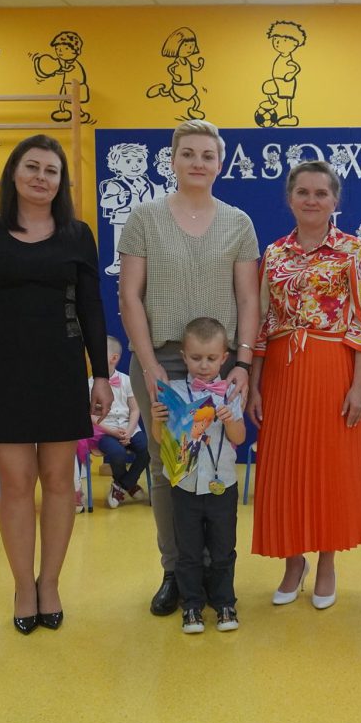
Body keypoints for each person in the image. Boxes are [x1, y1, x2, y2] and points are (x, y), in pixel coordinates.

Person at [0, 134, 112, 635]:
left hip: (61, 369)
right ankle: (23, 586)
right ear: (14, 174)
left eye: (51, 170)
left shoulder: (78, 235)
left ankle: (51, 583)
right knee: (16, 483)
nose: (41, 177)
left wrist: (101, 374)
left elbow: (91, 308)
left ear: (61, 182)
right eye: (32, 167)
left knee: (60, 481)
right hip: (2, 370)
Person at [118, 119, 260, 618]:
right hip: (162, 360)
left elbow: (249, 298)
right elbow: (130, 297)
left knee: (217, 459)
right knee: (166, 468)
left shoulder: (238, 223)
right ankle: (176, 572)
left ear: (220, 164)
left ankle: (214, 573)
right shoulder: (144, 218)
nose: (198, 162)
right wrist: (149, 366)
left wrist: (243, 361)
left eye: (207, 155)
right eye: (189, 153)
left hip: (219, 363)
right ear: (173, 160)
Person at [249, 160, 361, 610]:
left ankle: (326, 562)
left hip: (332, 370)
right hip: (282, 373)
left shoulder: (353, 250)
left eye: (321, 193)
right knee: (285, 468)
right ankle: (293, 562)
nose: (311, 200)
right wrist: (255, 385)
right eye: (302, 192)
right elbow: (263, 321)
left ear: (335, 200)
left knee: (329, 469)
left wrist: (359, 385)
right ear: (289, 199)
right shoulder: (274, 254)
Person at [152, 318, 246, 634]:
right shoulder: (175, 393)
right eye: (195, 358)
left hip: (223, 485)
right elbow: (161, 439)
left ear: (224, 358)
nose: (203, 365)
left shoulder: (230, 393)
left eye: (211, 358)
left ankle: (225, 603)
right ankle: (191, 606)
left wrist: (230, 420)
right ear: (183, 356)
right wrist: (155, 419)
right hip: (186, 485)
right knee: (188, 551)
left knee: (223, 549)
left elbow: (239, 437)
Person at [91, 335, 149, 508]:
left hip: (128, 428)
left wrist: (129, 431)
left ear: (114, 358)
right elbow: (91, 416)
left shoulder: (127, 380)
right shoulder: (90, 384)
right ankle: (130, 485)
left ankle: (122, 485)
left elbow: (135, 409)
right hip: (104, 431)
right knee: (118, 453)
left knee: (148, 449)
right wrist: (112, 431)